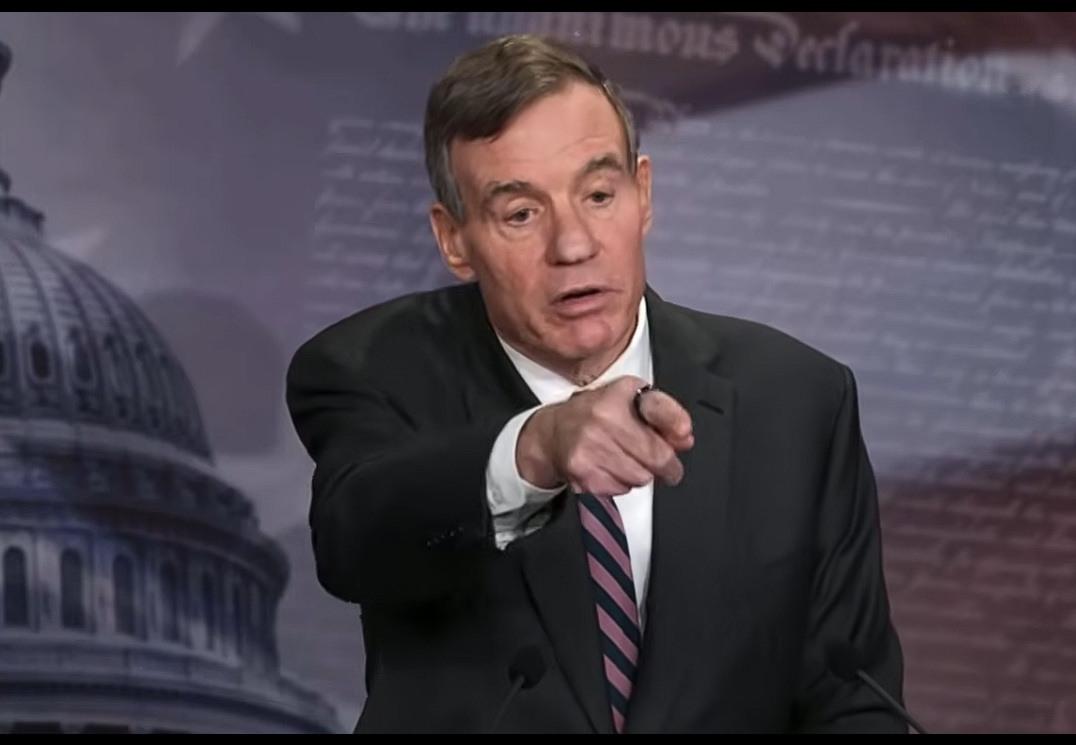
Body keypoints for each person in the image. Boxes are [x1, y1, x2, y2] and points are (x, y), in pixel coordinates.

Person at [285, 33, 906, 734]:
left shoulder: (797, 399)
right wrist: (533, 449)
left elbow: (851, 699)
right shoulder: (369, 367)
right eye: (521, 214)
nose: (573, 245)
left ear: (643, 194)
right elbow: (355, 542)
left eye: (599, 194)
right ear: (454, 239)